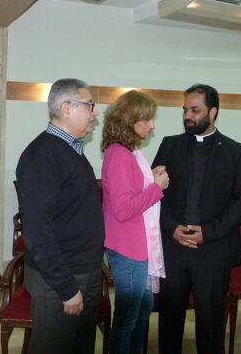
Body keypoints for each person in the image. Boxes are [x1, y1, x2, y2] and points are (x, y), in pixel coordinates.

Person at [152, 84, 241, 354]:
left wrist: (208, 232)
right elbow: (154, 193)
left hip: (212, 251)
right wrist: (172, 228)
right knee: (169, 324)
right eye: (185, 109)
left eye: (195, 110)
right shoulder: (170, 145)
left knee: (210, 327)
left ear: (213, 111)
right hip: (174, 249)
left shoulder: (235, 152)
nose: (187, 115)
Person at [16, 78, 104, 354]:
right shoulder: (41, 156)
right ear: (66, 108)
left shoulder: (72, 151)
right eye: (89, 105)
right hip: (59, 280)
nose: (95, 112)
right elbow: (37, 233)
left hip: (85, 271)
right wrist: (67, 288)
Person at [101, 90, 169, 354]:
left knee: (141, 312)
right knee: (128, 319)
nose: (152, 125)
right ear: (129, 121)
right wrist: (156, 187)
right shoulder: (119, 154)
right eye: (147, 119)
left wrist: (149, 177)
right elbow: (123, 209)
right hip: (128, 248)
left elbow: (129, 189)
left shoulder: (129, 152)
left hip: (137, 247)